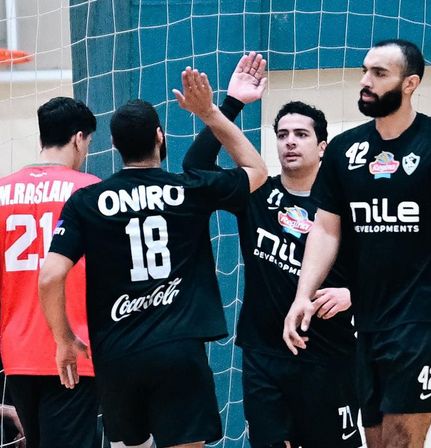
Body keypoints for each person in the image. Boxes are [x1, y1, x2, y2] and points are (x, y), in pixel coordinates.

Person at [282, 39, 431, 448]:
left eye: (379, 74)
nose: (365, 81)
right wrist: (303, 295)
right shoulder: (343, 150)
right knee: (377, 442)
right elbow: (325, 230)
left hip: (428, 322)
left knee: (402, 441)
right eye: (364, 71)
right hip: (369, 322)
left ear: (410, 84)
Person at [38, 68, 267, 448]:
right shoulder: (189, 189)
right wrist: (211, 112)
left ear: (114, 144)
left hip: (117, 355)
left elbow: (49, 277)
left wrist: (63, 339)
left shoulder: (85, 201)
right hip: (179, 350)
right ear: (160, 136)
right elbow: (256, 170)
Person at [182, 52, 361, 448]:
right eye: (282, 135)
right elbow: (196, 166)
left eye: (301, 134)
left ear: (323, 147)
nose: (290, 141)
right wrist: (231, 104)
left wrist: (354, 294)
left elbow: (383, 269)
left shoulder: (343, 205)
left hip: (327, 354)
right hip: (264, 354)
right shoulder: (258, 192)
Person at [0, 97, 100, 448]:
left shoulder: (2, 191)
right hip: (73, 351)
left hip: (17, 355)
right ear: (78, 138)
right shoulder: (90, 190)